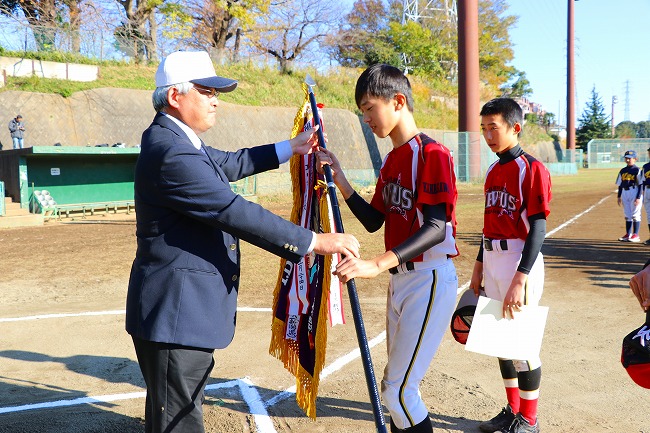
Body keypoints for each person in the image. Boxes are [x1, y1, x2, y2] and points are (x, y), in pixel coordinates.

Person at [125, 50, 360, 433]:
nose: (216, 100)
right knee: (177, 422)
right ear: (174, 96)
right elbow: (233, 211)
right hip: (175, 315)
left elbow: (232, 163)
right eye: (206, 91)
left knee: (175, 410)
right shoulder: (171, 151)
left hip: (180, 313)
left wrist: (293, 146)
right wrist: (314, 241)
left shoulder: (178, 139)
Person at [316, 63, 459, 433]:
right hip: (401, 282)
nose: (366, 119)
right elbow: (375, 219)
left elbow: (436, 227)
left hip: (428, 278)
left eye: (369, 108)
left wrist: (376, 264)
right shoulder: (393, 160)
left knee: (399, 393)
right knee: (392, 389)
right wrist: (341, 181)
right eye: (363, 111)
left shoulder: (433, 154)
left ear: (398, 101)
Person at [469, 98, 551, 433]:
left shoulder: (532, 169)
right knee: (499, 341)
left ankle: (529, 420)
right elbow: (489, 226)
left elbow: (539, 227)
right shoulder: (492, 170)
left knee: (522, 344)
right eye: (484, 128)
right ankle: (513, 410)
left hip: (519, 261)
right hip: (492, 258)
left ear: (515, 128)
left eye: (495, 127)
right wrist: (478, 265)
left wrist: (521, 277)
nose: (488, 134)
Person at [616, 150, 643, 242]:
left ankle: (636, 235)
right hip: (625, 192)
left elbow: (640, 184)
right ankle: (628, 234)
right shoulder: (622, 170)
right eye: (626, 158)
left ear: (635, 159)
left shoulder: (637, 170)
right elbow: (620, 184)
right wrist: (619, 196)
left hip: (634, 191)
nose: (628, 160)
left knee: (635, 214)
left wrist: (638, 197)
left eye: (630, 158)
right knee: (627, 214)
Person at [640, 148, 650, 244]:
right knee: (649, 215)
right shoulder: (646, 166)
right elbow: (642, 181)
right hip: (647, 190)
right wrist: (642, 193)